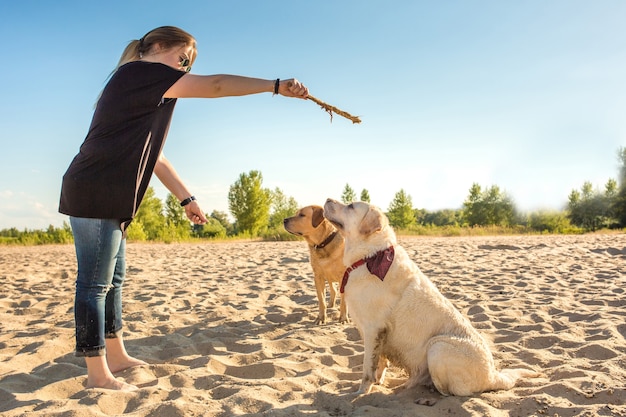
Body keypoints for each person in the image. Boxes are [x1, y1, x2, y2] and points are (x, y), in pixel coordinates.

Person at [59, 26, 309, 391]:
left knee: (113, 280)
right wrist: (275, 85)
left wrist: (186, 199)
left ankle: (117, 355)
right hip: (95, 189)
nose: (185, 68)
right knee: (94, 285)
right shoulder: (140, 73)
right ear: (158, 47)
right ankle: (97, 376)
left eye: (188, 64)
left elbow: (155, 157)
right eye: (182, 58)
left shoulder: (145, 88)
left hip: (107, 192)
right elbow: (217, 85)